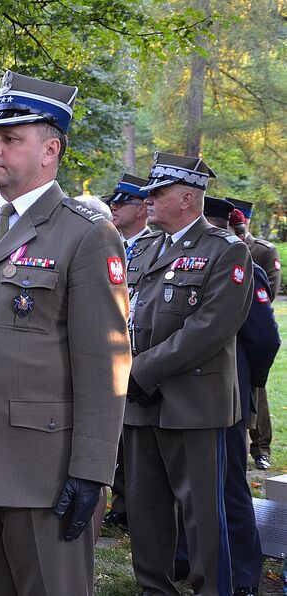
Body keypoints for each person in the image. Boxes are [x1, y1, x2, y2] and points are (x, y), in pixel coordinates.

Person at [0, 70, 130, 596]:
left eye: (10, 138)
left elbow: (105, 361)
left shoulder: (85, 235)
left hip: (42, 472)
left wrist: (92, 470)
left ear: (50, 150)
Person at [123, 152, 253, 595]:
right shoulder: (145, 249)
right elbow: (127, 315)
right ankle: (153, 588)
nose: (149, 202)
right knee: (145, 510)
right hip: (140, 401)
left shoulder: (226, 250)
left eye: (158, 194)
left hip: (192, 402)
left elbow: (211, 326)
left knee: (201, 514)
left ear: (187, 198)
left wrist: (142, 371)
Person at [195, 198, 278, 594]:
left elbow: (264, 338)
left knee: (229, 486)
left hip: (228, 391)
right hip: (191, 395)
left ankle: (243, 573)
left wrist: (251, 385)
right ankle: (193, 561)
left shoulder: (246, 266)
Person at [103, 172, 151, 532]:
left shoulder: (154, 245)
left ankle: (132, 503)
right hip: (114, 349)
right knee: (116, 433)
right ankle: (121, 500)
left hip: (144, 356)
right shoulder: (111, 242)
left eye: (122, 203)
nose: (114, 207)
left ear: (142, 209)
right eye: (113, 202)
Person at [230, 197, 281, 471]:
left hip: (253, 324)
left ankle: (261, 447)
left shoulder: (262, 250)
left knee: (257, 394)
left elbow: (268, 291)